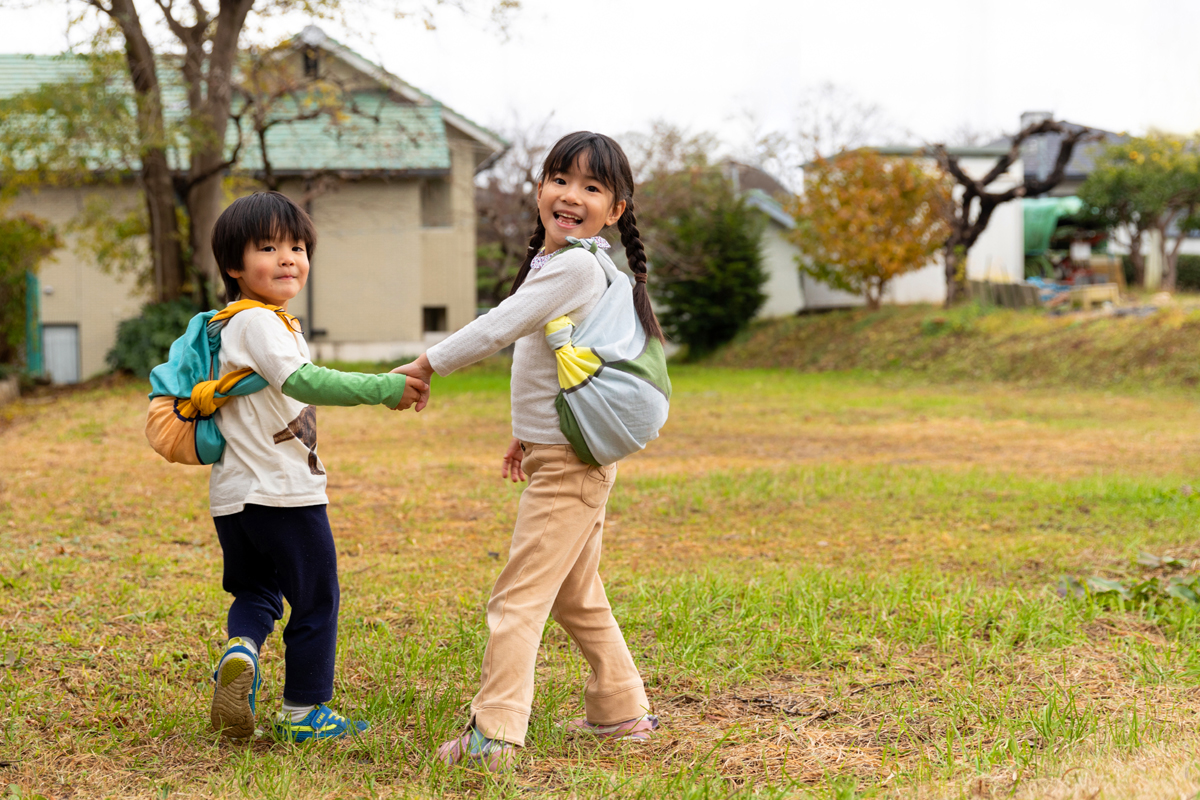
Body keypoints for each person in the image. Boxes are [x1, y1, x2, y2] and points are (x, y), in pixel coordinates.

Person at [392, 132, 664, 771]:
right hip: (569, 453)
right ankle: (621, 709)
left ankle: (496, 733)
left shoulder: (573, 265)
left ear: (616, 209)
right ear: (540, 188)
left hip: (568, 465)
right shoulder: (568, 264)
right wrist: (525, 428)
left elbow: (497, 329)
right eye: (560, 179)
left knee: (517, 598)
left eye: (592, 188)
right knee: (575, 592)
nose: (571, 196)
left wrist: (426, 364)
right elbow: (548, 362)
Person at [205, 191, 427, 742]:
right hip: (284, 494)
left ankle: (242, 650)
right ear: (234, 266)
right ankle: (305, 713)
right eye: (268, 247)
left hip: (233, 498)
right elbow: (304, 382)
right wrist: (383, 388)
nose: (288, 258)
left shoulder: (228, 326)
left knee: (256, 593)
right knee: (316, 597)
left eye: (298, 247)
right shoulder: (258, 323)